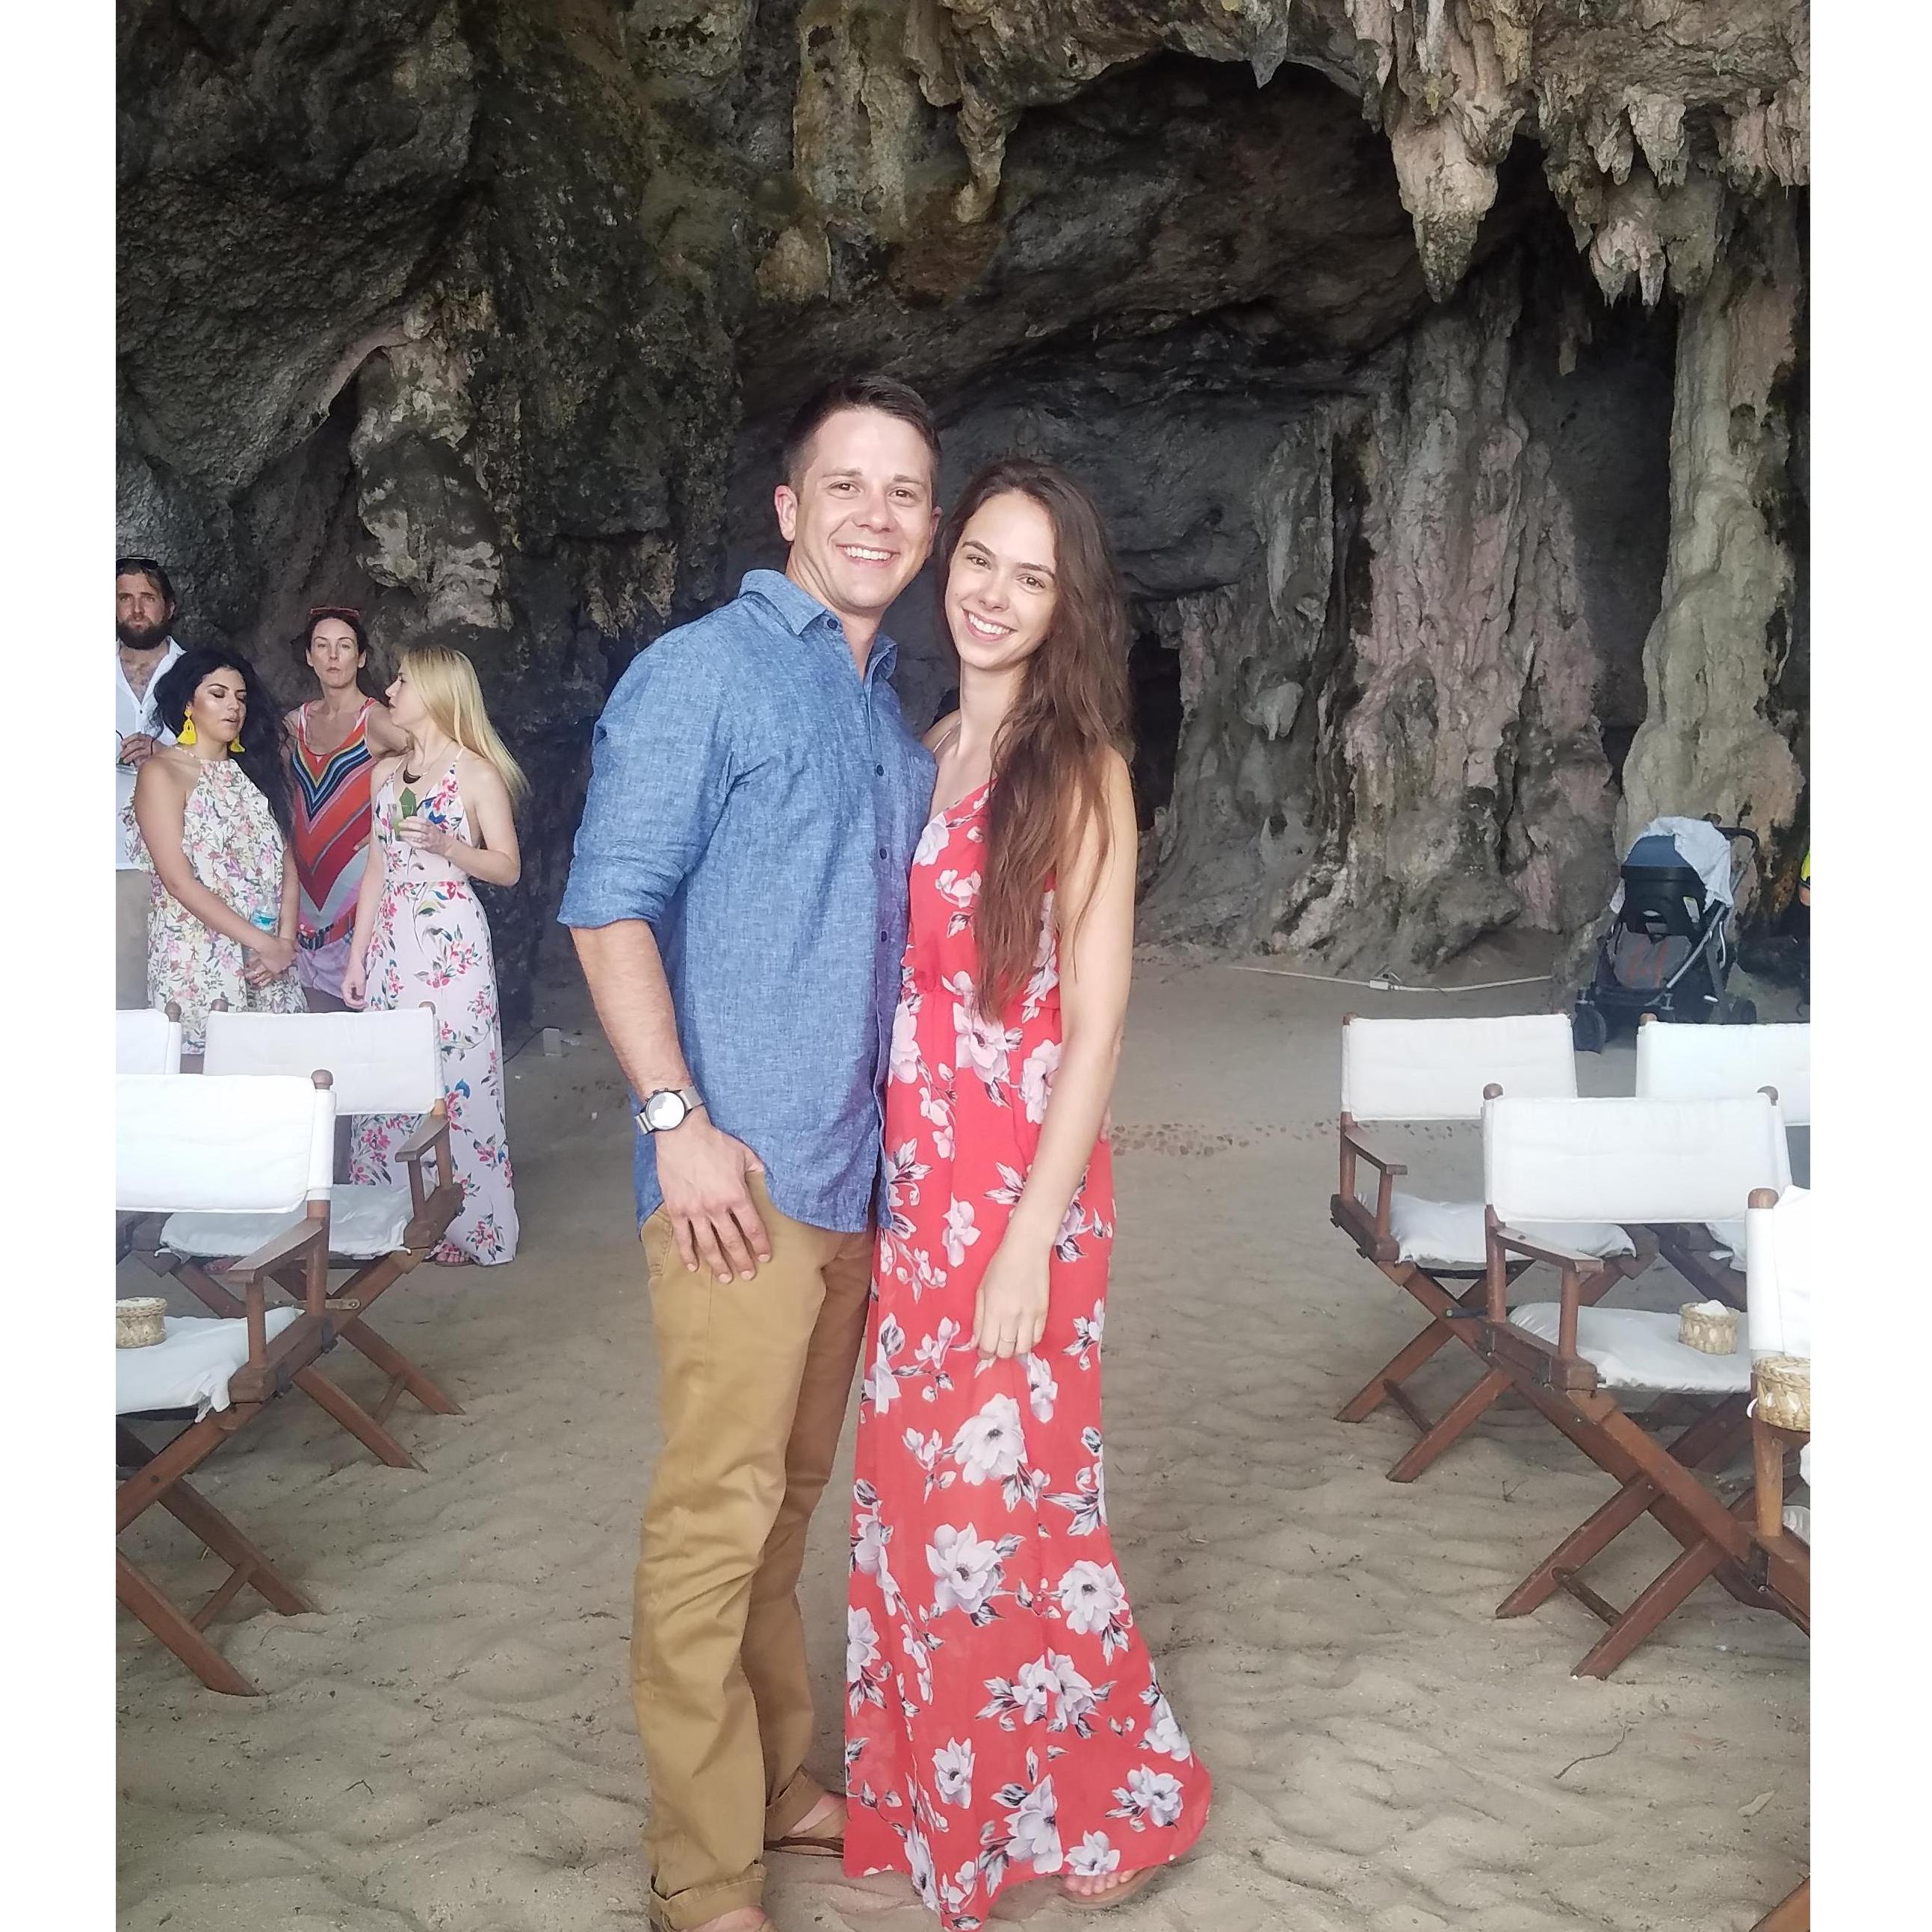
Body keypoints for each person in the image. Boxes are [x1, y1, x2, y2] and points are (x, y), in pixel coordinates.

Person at [559, 373, 944, 1932]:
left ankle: (781, 1780)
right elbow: (608, 906)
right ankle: (702, 1869)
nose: (875, 514)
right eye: (845, 483)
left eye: (905, 491)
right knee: (716, 1518)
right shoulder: (701, 674)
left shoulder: (886, 716)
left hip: (855, 1181)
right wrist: (678, 1124)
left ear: (930, 524)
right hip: (739, 1185)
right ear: (789, 506)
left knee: (788, 1504)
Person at [843, 458, 1211, 1925]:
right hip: (917, 1184)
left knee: (1017, 1511)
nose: (994, 595)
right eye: (979, 562)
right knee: (913, 1508)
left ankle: (1104, 1794)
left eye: (1032, 575)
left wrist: (1027, 1238)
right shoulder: (931, 744)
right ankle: (943, 1801)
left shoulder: (1083, 768)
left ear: (1069, 606)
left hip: (1018, 1188)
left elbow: (1099, 1024)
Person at [342, 644, 523, 1265]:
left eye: (402, 681)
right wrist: (357, 957)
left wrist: (450, 846)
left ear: (437, 691)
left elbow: (507, 868)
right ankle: (390, 1219)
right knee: (392, 1072)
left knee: (460, 1073)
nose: (390, 691)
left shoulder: (476, 773)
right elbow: (374, 870)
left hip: (451, 937)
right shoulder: (384, 775)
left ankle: (469, 1226)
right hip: (391, 939)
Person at [129, 646, 307, 1047]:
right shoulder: (162, 772)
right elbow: (178, 881)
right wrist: (265, 944)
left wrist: (284, 944)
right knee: (204, 1072)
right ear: (188, 704)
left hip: (268, 961)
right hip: (198, 955)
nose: (233, 707)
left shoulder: (256, 771)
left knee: (281, 1069)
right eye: (218, 694)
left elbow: (287, 867)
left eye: (241, 697)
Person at [284, 607, 407, 1008]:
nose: (333, 656)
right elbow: (256, 774)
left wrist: (390, 823)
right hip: (304, 878)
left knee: (361, 1006)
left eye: (345, 646)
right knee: (311, 1009)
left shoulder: (376, 720)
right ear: (309, 657)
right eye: (322, 646)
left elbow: (432, 760)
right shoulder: (296, 723)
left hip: (359, 880)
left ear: (362, 657)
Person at [115, 557, 185, 1005]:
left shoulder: (199, 675)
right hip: (110, 855)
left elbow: (233, 758)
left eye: (148, 598)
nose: (136, 609)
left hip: (183, 859)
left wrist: (165, 754)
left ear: (169, 607)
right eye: (125, 598)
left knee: (176, 999)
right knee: (116, 998)